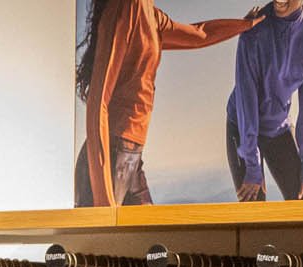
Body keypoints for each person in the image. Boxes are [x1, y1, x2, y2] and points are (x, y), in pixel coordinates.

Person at [74, 0, 262, 206]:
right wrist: (102, 199)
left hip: (131, 159)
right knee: (110, 239)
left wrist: (244, 25)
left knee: (150, 236)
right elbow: (98, 101)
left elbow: (199, 34)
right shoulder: (127, 6)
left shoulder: (151, 15)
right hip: (110, 159)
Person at [227, 0, 303, 202]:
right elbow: (247, 99)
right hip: (242, 125)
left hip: (277, 126)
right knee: (254, 209)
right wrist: (252, 163)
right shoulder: (254, 29)